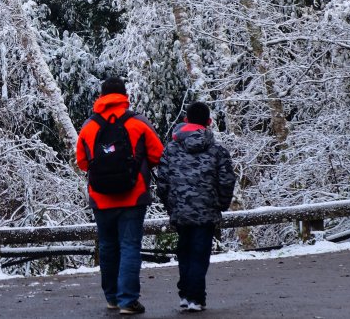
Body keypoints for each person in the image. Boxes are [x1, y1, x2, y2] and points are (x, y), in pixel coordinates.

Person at [76, 77, 164, 316]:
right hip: (133, 196)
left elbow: (83, 163)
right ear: (124, 95)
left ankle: (112, 298)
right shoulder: (137, 122)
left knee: (107, 246)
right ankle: (128, 300)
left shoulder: (89, 126)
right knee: (129, 246)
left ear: (101, 97)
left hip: (101, 198)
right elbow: (158, 155)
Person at [155, 101, 236, 313]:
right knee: (200, 252)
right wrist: (221, 204)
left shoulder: (171, 149)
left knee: (184, 250)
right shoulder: (217, 150)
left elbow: (162, 181)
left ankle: (185, 293)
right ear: (209, 122)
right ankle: (195, 297)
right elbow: (226, 180)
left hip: (180, 209)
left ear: (185, 121)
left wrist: (170, 205)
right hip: (207, 208)